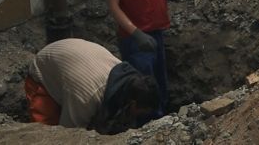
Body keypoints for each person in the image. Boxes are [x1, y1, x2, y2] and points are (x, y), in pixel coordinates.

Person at [25, 38, 159, 134]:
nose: (137, 117)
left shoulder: (124, 76)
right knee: (49, 134)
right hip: (44, 72)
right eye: (141, 113)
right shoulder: (87, 98)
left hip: (72, 62)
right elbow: (68, 135)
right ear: (133, 104)